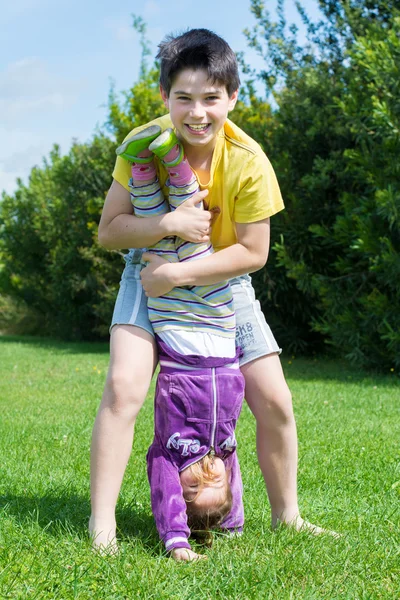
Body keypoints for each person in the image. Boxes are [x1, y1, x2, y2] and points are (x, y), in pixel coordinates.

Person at [90, 27, 332, 555]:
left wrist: (179, 275)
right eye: (183, 98)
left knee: (275, 400)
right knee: (125, 387)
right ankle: (102, 525)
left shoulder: (249, 161)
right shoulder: (144, 144)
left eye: (211, 99)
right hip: (147, 269)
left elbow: (253, 252)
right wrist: (168, 224)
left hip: (223, 279)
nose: (197, 113)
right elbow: (110, 230)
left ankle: (287, 516)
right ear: (164, 98)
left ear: (233, 98)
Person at [115, 126, 245, 561]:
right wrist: (231, 523)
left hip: (177, 334)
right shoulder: (224, 450)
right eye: (216, 483)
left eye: (194, 487)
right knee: (195, 246)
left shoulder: (170, 455)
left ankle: (141, 168)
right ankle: (173, 164)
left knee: (173, 243)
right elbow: (229, 491)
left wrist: (178, 541)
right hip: (221, 328)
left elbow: (168, 493)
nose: (205, 474)